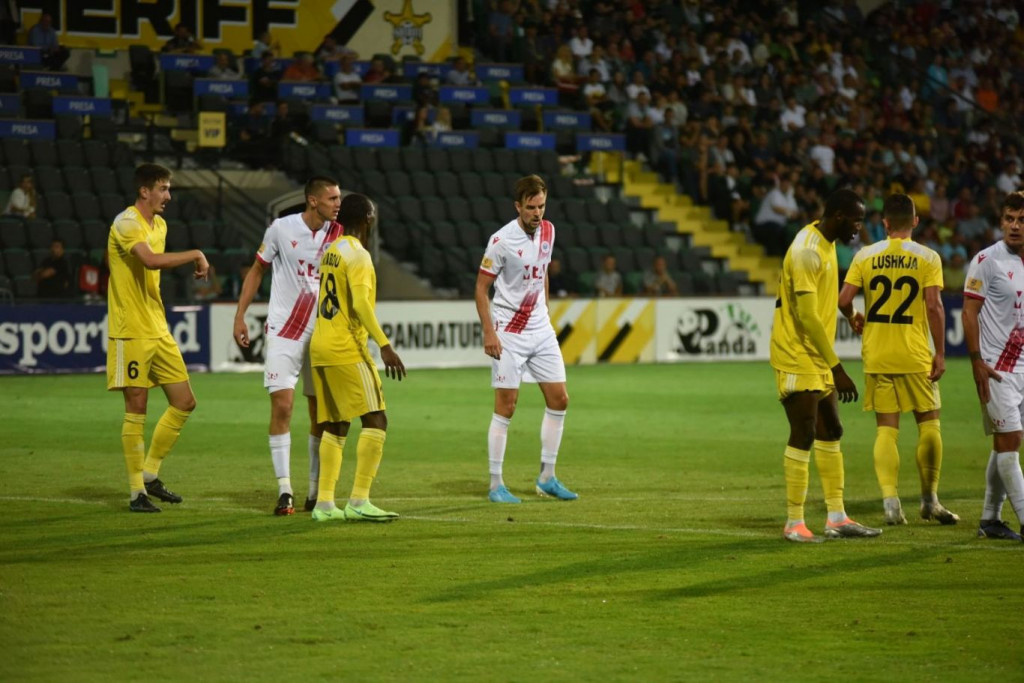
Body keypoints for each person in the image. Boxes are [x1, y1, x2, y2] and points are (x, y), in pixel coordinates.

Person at [838, 193, 958, 526]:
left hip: (878, 354)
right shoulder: (928, 257)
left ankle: (891, 503)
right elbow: (934, 306)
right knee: (930, 425)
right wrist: (941, 352)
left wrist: (852, 317)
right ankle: (929, 500)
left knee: (886, 432)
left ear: (885, 223)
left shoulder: (866, 254)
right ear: (915, 222)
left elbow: (844, 299)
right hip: (915, 353)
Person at [770, 188, 881, 543]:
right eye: (856, 220)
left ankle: (836, 517)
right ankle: (794, 523)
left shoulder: (828, 243)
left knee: (831, 430)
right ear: (837, 216)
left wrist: (849, 313)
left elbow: (823, 299)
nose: (859, 228)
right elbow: (806, 315)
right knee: (803, 431)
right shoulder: (806, 251)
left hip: (816, 353)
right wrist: (837, 368)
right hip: (796, 352)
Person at [233, 177, 345, 515]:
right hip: (285, 330)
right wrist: (240, 315)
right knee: (282, 406)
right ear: (313, 200)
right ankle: (285, 490)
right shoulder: (280, 229)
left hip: (323, 333)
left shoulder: (339, 235)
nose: (337, 204)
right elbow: (256, 271)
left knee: (318, 413)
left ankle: (313, 491)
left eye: (339, 197)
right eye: (332, 198)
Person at [106, 164, 209, 512]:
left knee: (184, 402)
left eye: (169, 189)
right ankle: (137, 492)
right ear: (144, 191)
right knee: (137, 406)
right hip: (130, 330)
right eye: (163, 189)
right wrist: (194, 254)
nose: (168, 196)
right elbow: (149, 262)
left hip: (157, 327)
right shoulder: (126, 223)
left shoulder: (160, 225)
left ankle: (150, 474)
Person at [475, 175, 577, 504]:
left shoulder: (549, 230)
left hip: (541, 329)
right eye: (531, 207)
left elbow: (543, 269)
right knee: (507, 407)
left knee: (560, 399)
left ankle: (547, 477)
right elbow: (480, 289)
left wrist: (544, 307)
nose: (537, 212)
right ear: (518, 206)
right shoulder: (501, 240)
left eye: (542, 206)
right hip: (509, 332)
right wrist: (489, 331)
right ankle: (495, 484)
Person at [310, 193, 406, 522]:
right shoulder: (359, 255)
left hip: (320, 345)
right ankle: (359, 500)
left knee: (336, 424)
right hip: (345, 347)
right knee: (376, 418)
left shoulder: (331, 251)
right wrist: (384, 344)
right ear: (367, 217)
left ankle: (324, 504)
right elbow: (362, 305)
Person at [963, 190, 1024, 541]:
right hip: (996, 367)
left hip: (1023, 367)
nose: (1014, 227)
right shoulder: (987, 260)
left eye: (1021, 220)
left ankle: (990, 518)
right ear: (1001, 221)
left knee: (1005, 442)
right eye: (1009, 219)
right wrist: (976, 361)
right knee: (1011, 440)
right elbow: (969, 313)